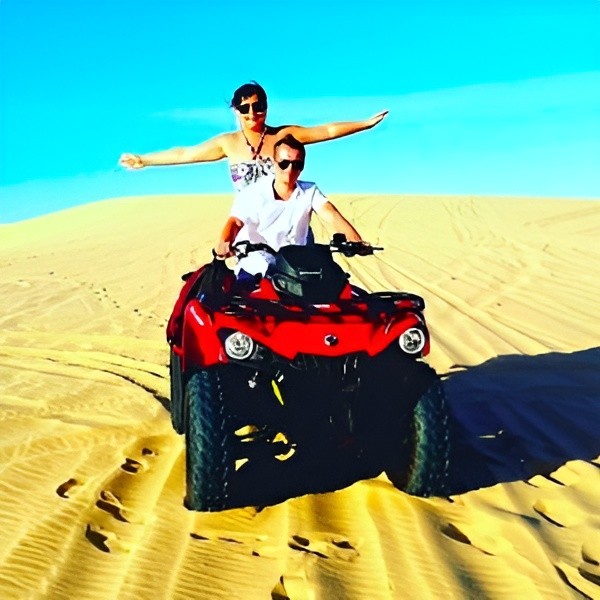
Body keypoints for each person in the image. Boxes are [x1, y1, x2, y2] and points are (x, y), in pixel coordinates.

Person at [119, 81, 387, 191]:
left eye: (258, 106)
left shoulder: (284, 135)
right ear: (236, 110)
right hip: (251, 228)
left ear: (266, 107)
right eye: (245, 107)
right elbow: (184, 153)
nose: (252, 113)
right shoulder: (228, 143)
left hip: (290, 222)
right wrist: (144, 160)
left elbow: (326, 130)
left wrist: (364, 124)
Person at [214, 134, 364, 279]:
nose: (290, 169)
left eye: (297, 164)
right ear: (274, 162)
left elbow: (331, 214)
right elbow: (236, 221)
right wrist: (224, 242)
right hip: (256, 265)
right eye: (284, 163)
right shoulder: (252, 192)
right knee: (247, 291)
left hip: (295, 267)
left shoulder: (309, 191)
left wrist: (355, 240)